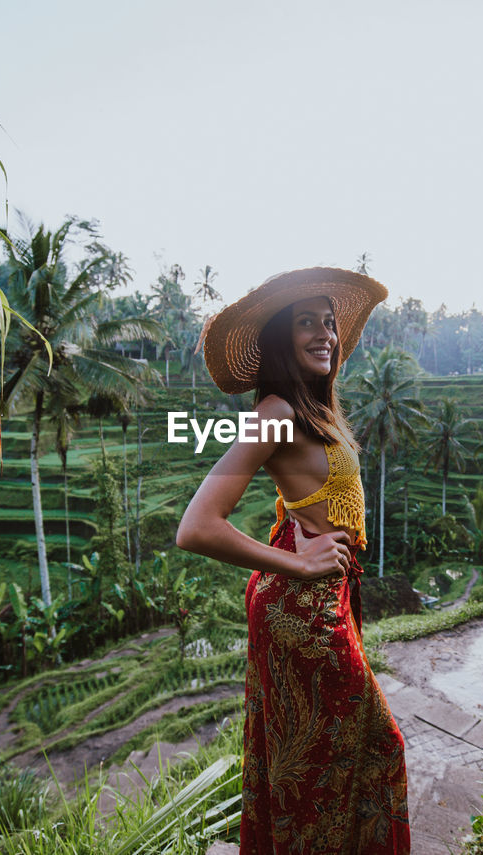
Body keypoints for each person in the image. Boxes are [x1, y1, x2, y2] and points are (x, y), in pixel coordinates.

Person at [177, 267, 409, 854]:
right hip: (301, 607)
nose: (325, 333)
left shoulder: (311, 409)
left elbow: (305, 502)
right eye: (306, 322)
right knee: (366, 752)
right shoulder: (275, 410)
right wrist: (301, 565)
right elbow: (197, 526)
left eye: (329, 322)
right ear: (280, 338)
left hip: (319, 598)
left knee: (314, 761)